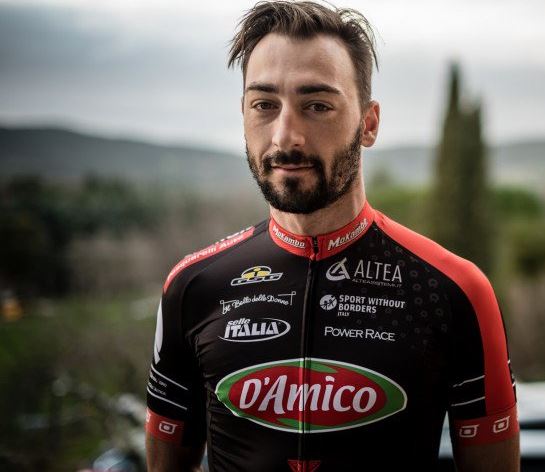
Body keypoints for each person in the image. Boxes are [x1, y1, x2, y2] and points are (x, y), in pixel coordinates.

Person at [144, 2, 519, 471]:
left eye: (317, 105)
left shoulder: (454, 292)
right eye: (264, 105)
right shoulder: (192, 287)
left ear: (369, 124)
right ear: (243, 114)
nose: (285, 136)